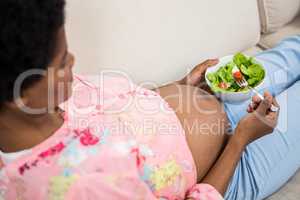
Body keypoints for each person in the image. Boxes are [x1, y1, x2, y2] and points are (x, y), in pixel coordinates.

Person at [0, 0, 299, 199]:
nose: (73, 62)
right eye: (63, 61)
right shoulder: (78, 187)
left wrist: (182, 86)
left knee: (294, 52)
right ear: (19, 97)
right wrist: (239, 142)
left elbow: (119, 115)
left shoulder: (42, 102)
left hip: (219, 97)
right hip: (229, 168)